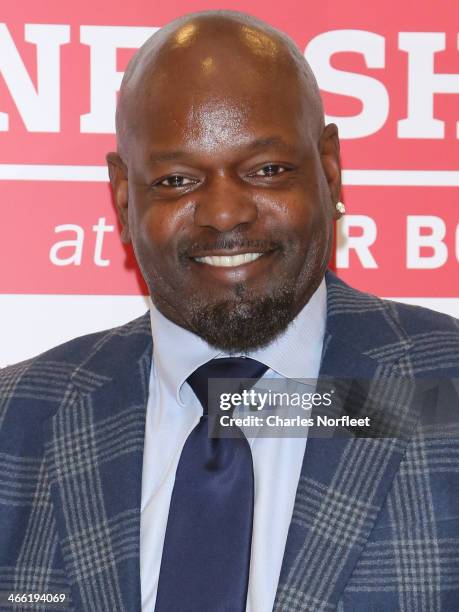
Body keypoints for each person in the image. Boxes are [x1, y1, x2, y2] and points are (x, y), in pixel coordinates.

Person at [1, 10, 458, 612]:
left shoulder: (443, 391)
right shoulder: (17, 420)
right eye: (177, 180)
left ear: (329, 168)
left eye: (267, 170)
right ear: (121, 195)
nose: (224, 214)